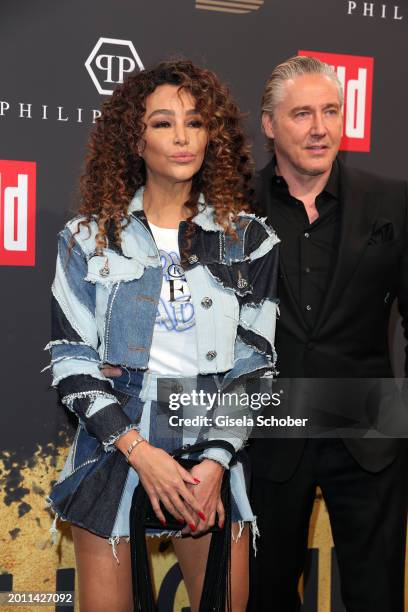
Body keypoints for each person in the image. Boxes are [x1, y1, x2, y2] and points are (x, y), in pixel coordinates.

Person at [44, 60, 279, 612]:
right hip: (114, 446)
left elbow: (255, 367)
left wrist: (217, 459)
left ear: (211, 135)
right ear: (134, 138)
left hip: (211, 453)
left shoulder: (249, 241)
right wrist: (140, 452)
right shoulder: (87, 239)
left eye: (195, 123)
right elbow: (71, 361)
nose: (181, 137)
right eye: (162, 123)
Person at [249, 55, 408, 612]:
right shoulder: (232, 207)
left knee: (378, 594)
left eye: (331, 111)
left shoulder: (393, 202)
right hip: (266, 435)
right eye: (301, 114)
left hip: (370, 433)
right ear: (269, 125)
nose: (320, 127)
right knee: (264, 596)